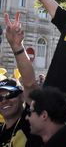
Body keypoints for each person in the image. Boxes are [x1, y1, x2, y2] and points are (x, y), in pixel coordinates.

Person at [0, 12, 43, 147]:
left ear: (22, 97)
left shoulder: (29, 123)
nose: (4, 100)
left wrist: (17, 47)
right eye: (0, 98)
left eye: (10, 94)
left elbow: (29, 83)